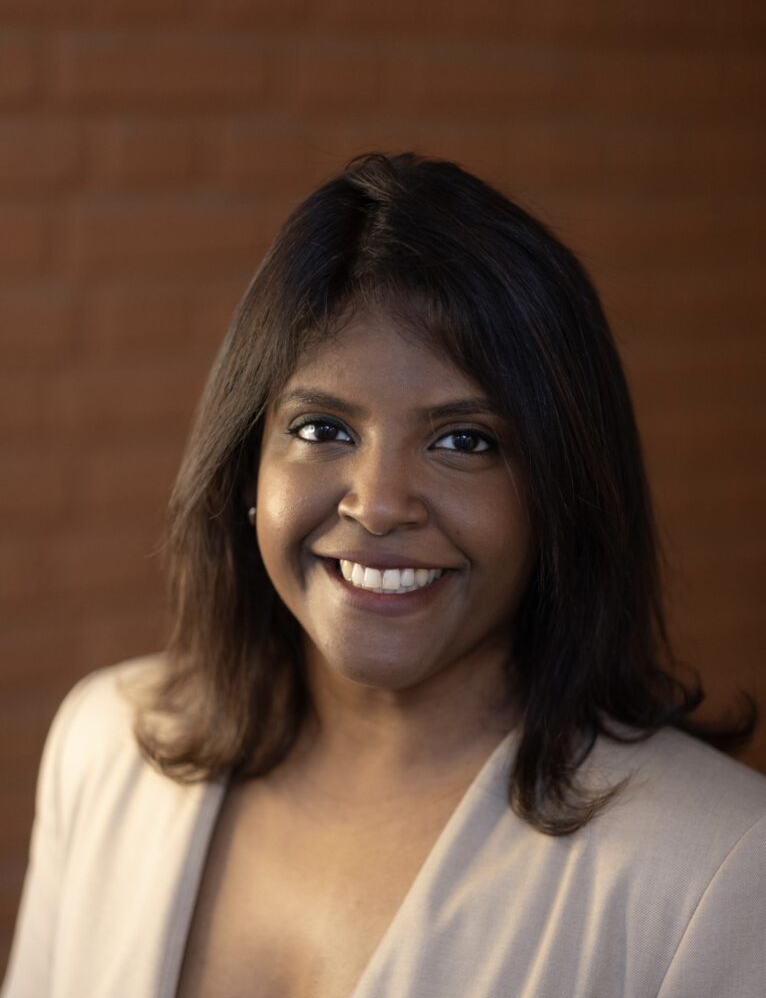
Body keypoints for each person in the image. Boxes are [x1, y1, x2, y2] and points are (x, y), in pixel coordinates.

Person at [3, 152, 764, 998]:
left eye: (464, 441)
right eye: (323, 429)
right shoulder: (105, 748)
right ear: (245, 472)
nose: (380, 504)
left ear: (563, 494)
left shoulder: (721, 869)